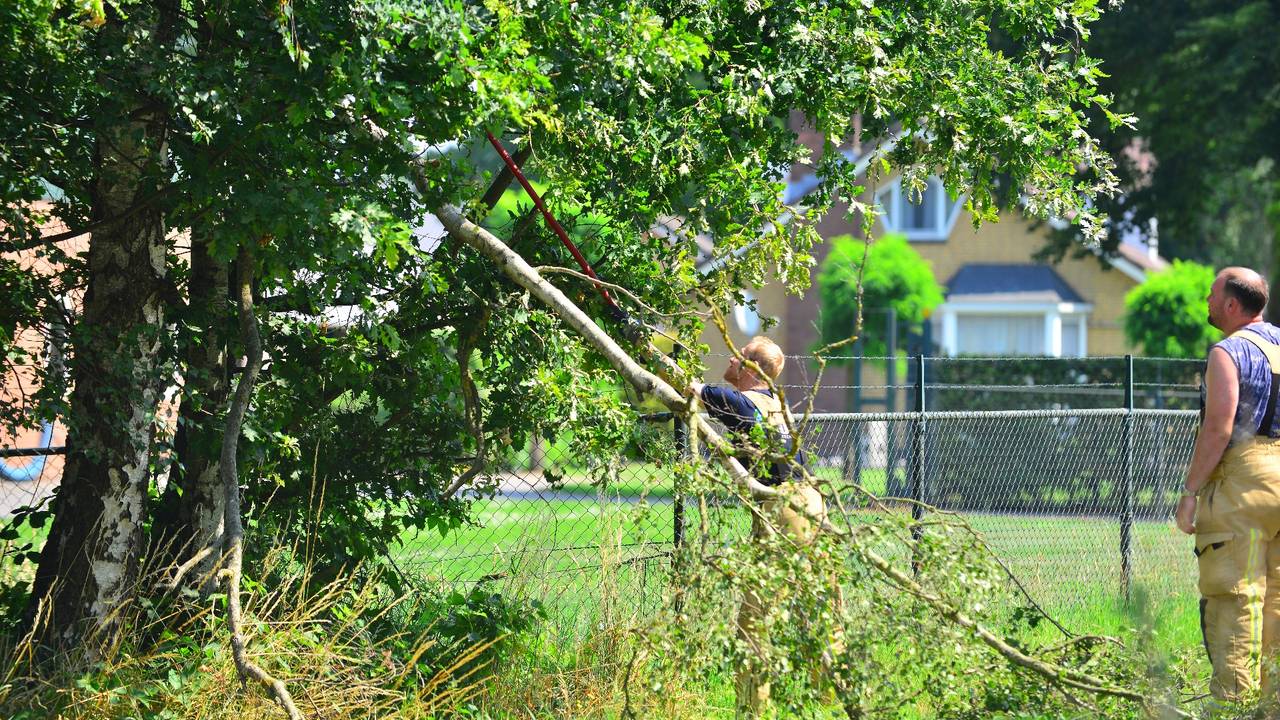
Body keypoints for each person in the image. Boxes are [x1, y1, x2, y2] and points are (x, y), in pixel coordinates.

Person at [689, 335, 826, 718]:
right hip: (811, 502)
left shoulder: (749, 404)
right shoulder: (774, 404)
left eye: (740, 354)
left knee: (755, 619)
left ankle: (752, 708)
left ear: (750, 368)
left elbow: (729, 404)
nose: (732, 356)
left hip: (785, 510)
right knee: (818, 606)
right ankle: (830, 693)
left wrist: (696, 388)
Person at [1176, 267, 1280, 702]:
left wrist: (1189, 493)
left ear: (1232, 305)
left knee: (1234, 598)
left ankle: (1235, 709)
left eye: (1213, 294)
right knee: (1276, 602)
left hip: (1244, 481)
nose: (1207, 299)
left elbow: (1218, 429)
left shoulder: (1227, 352)